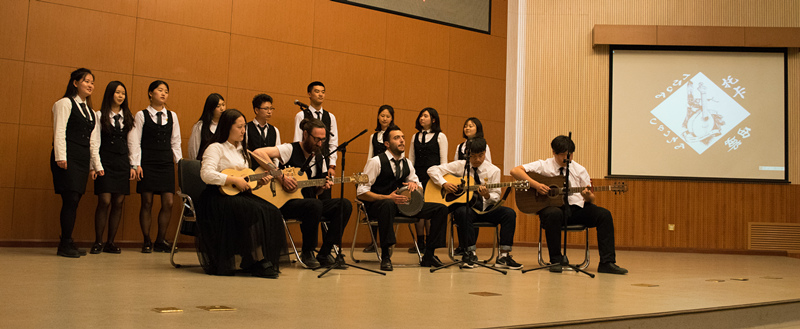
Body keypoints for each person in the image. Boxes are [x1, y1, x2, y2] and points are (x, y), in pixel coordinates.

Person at [510, 135, 628, 275]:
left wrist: (588, 196)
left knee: (604, 215)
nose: (568, 158)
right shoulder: (543, 165)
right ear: (554, 152)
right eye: (563, 155)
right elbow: (515, 171)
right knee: (554, 213)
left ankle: (607, 262)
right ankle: (556, 260)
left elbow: (591, 198)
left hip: (575, 210)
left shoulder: (579, 169)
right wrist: (536, 185)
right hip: (552, 210)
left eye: (570, 154)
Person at [253, 118, 352, 268]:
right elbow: (258, 152)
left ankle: (325, 252)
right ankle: (307, 251)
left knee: (344, 204)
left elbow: (317, 190)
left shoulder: (320, 156)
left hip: (311, 203)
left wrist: (322, 187)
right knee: (314, 204)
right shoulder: (290, 149)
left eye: (323, 140)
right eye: (316, 139)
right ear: (305, 135)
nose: (319, 144)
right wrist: (281, 177)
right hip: (287, 202)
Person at [197, 109, 284, 278]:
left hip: (238, 195)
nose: (244, 130)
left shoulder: (242, 150)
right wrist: (232, 180)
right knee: (253, 210)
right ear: (227, 127)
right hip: (217, 197)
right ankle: (254, 259)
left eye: (244, 127)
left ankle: (255, 258)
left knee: (272, 211)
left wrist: (257, 182)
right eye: (240, 127)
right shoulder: (215, 148)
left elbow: (245, 180)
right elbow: (206, 174)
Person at [356, 125, 448, 271]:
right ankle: (386, 255)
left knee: (440, 209)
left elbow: (419, 185)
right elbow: (361, 192)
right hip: (378, 206)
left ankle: (429, 254)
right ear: (387, 144)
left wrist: (414, 186)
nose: (402, 141)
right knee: (387, 204)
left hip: (402, 206)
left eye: (403, 137)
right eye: (396, 138)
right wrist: (387, 197)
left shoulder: (407, 163)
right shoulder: (375, 162)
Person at [427, 137, 522, 269]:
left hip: (486, 209)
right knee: (461, 212)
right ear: (467, 154)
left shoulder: (494, 170)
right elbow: (432, 170)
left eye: (480, 156)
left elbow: (496, 195)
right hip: (469, 210)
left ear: (485, 153)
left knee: (509, 213)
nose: (477, 160)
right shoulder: (460, 166)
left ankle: (503, 256)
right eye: (473, 156)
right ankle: (469, 253)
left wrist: (487, 195)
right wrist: (445, 184)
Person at [50, 68, 101, 258]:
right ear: (75, 83)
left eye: (92, 82)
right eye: (86, 81)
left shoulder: (89, 110)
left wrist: (93, 166)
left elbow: (92, 141)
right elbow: (59, 131)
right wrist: (60, 156)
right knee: (70, 199)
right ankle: (64, 243)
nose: (90, 85)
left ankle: (68, 240)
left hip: (81, 158)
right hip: (67, 157)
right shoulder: (65, 103)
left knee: (75, 200)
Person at [129, 80, 182, 253]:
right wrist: (136, 164)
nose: (163, 94)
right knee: (147, 202)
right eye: (160, 90)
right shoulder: (141, 115)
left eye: (166, 91)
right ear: (150, 93)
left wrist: (179, 164)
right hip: (148, 163)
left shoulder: (172, 116)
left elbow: (176, 142)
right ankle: (146, 240)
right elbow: (135, 141)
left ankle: (161, 240)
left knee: (168, 202)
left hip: (165, 163)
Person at [90, 81, 134, 254]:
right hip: (105, 162)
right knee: (104, 200)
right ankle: (98, 241)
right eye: (117, 92)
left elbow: (132, 144)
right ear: (110, 94)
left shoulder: (128, 117)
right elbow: (94, 143)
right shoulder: (99, 115)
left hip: (122, 163)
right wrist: (94, 166)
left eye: (123, 93)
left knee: (118, 202)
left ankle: (110, 242)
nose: (121, 96)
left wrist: (133, 164)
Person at [406, 107, 448, 253]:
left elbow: (444, 161)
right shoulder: (414, 136)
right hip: (417, 177)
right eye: (420, 116)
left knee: (430, 210)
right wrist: (410, 177)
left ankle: (430, 242)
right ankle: (420, 242)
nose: (421, 119)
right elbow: (411, 159)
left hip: (433, 178)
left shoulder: (440, 136)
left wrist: (442, 180)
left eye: (425, 116)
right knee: (418, 207)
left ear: (434, 119)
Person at [363, 104, 396, 253]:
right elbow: (370, 156)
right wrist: (365, 175)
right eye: (382, 115)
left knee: (387, 207)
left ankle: (387, 243)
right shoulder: (373, 136)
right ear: (378, 117)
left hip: (389, 175)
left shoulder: (394, 134)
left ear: (392, 118)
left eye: (388, 116)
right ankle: (373, 242)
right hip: (375, 174)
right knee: (373, 203)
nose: (385, 118)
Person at [293, 81, 338, 177]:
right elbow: (297, 141)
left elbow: (333, 143)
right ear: (309, 94)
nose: (321, 94)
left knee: (324, 189)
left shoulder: (330, 117)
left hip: (325, 163)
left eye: (323, 92)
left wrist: (332, 165)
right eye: (317, 91)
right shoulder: (301, 115)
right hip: (306, 162)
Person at [247, 93, 280, 169]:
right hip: (252, 171)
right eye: (266, 109)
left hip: (270, 172)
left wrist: (274, 171)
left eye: (271, 108)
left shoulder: (274, 130)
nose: (269, 112)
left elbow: (277, 155)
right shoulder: (246, 127)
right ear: (256, 110)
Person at [188, 93, 225, 160]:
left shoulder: (226, 126)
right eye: (218, 106)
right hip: (203, 164)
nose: (222, 109)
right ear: (211, 108)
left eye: (223, 105)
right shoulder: (200, 126)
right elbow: (193, 149)